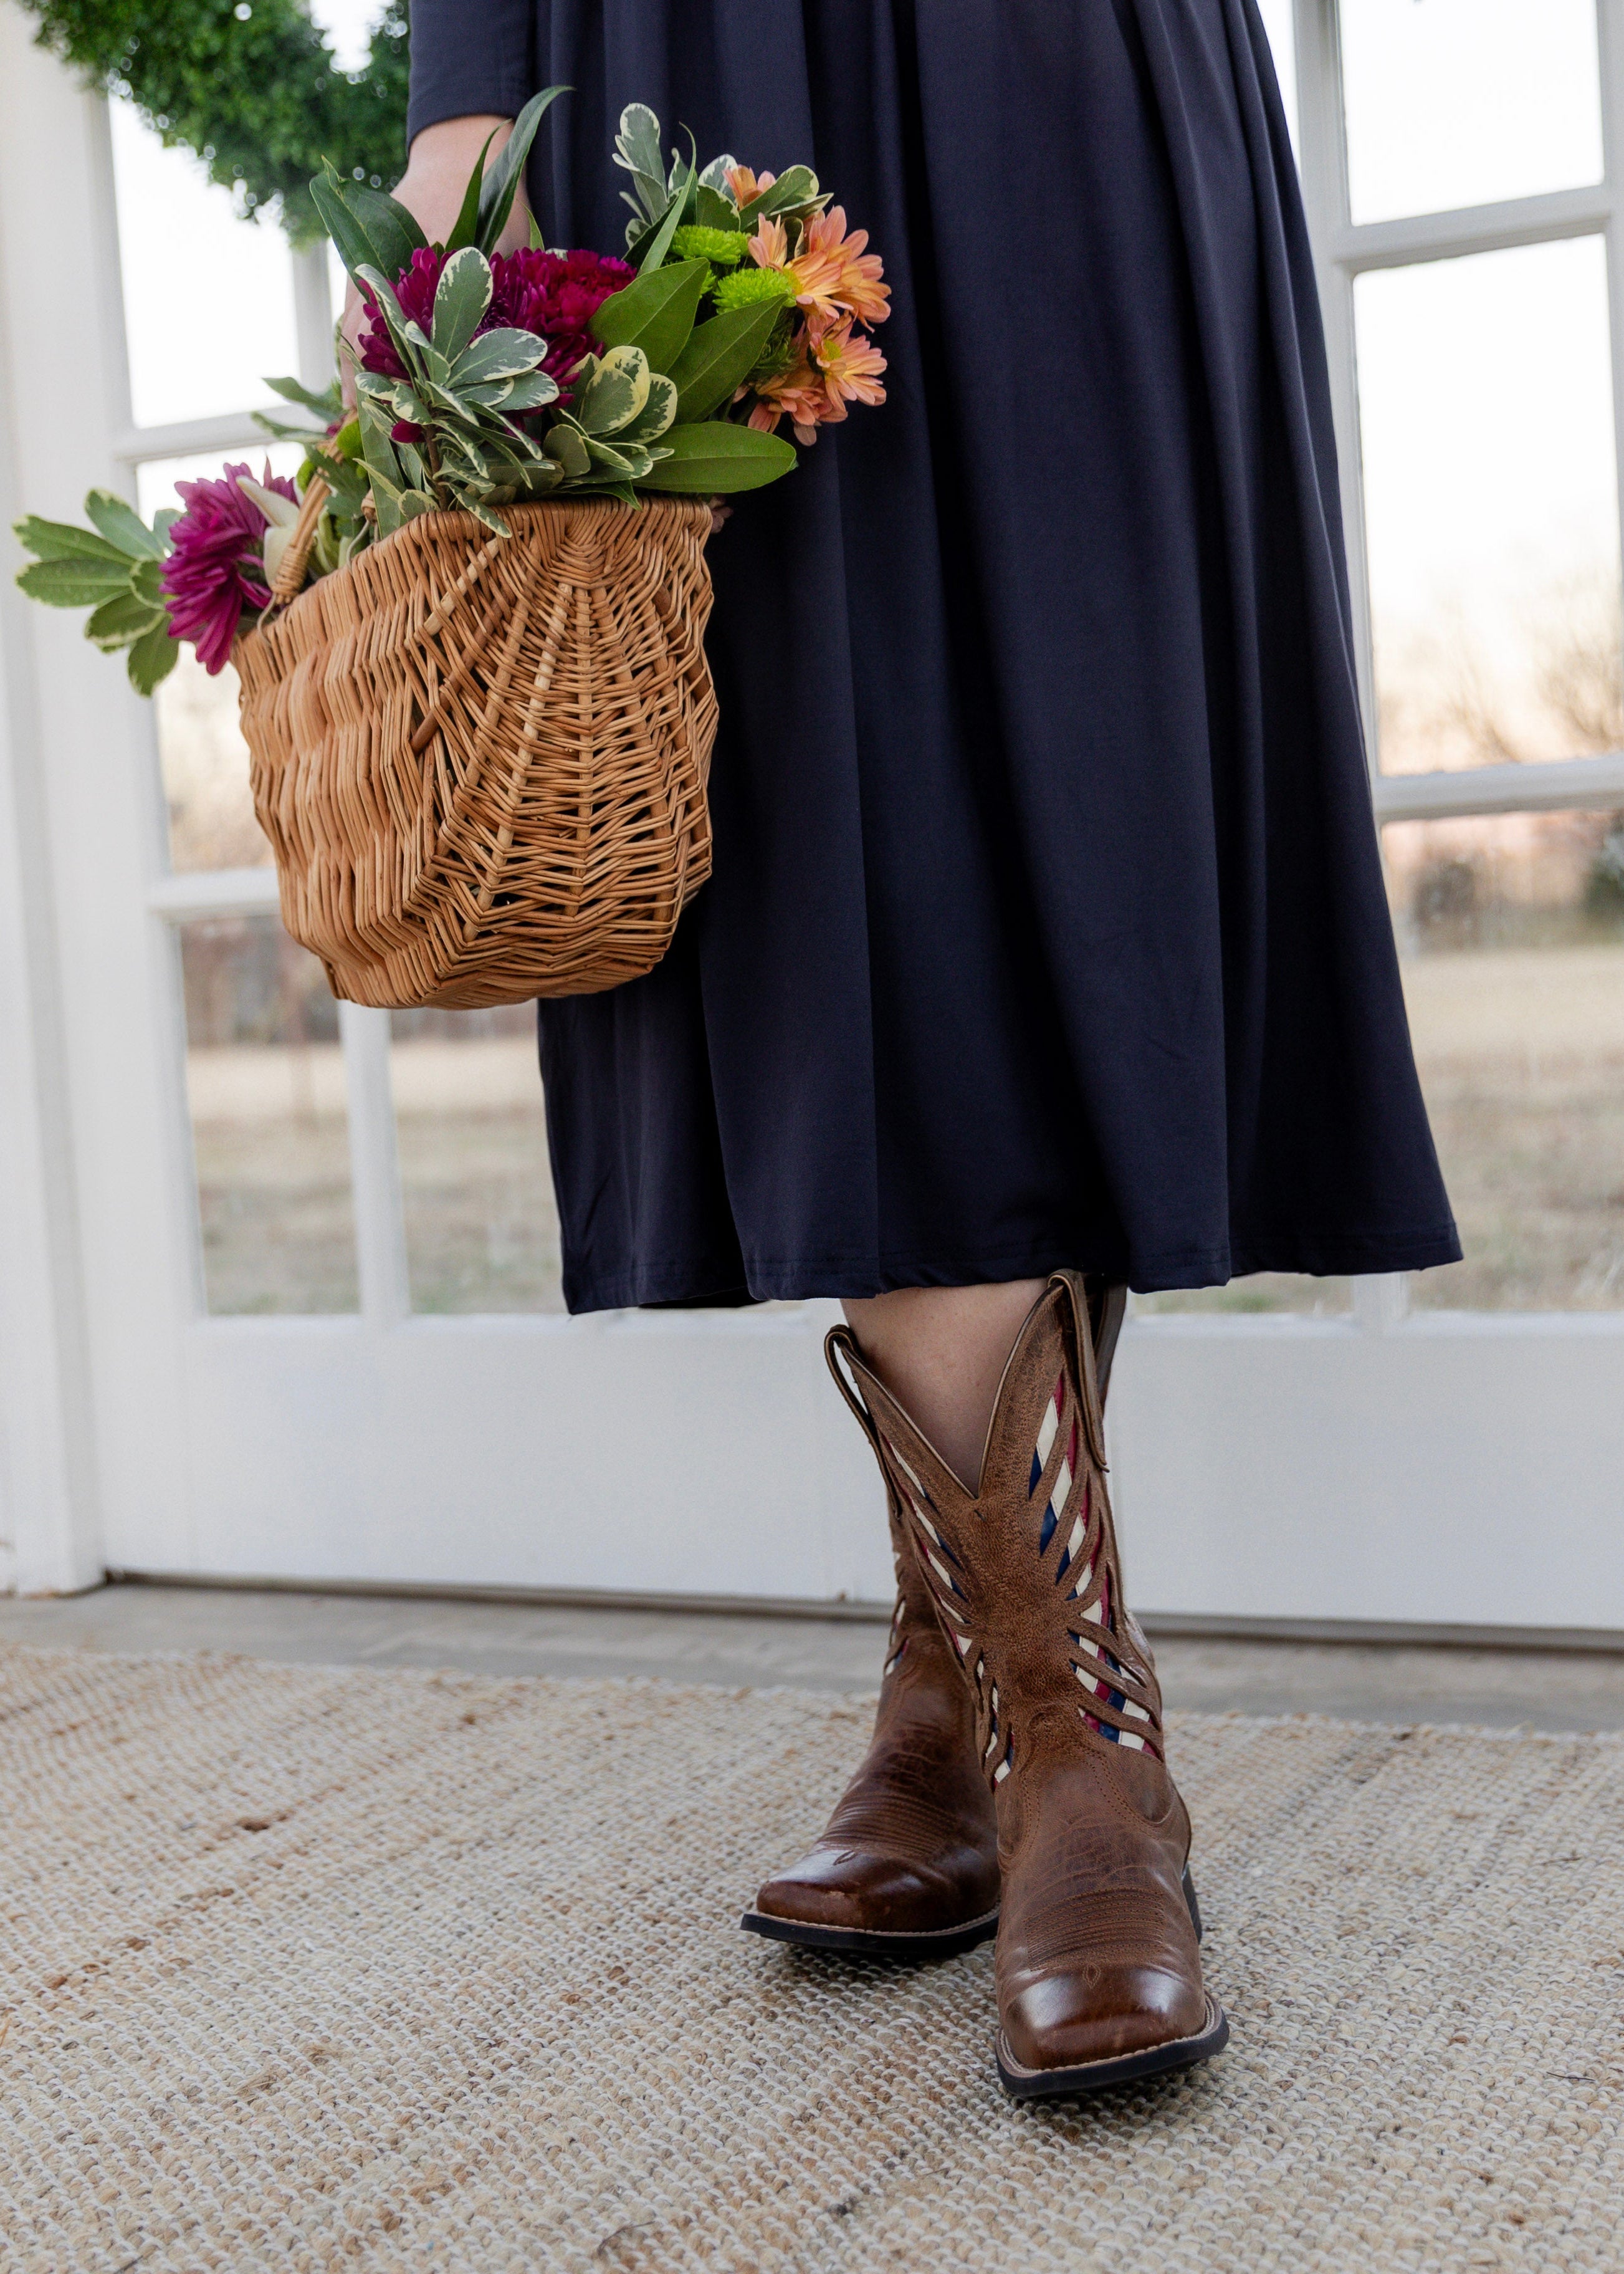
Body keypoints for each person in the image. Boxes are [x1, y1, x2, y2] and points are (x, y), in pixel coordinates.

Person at [378, 0, 1459, 2099]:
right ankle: (1067, 1735)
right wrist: (467, 104)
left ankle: (983, 1699)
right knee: (845, 840)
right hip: (727, 61)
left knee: (1094, 787)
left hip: (1069, 78)